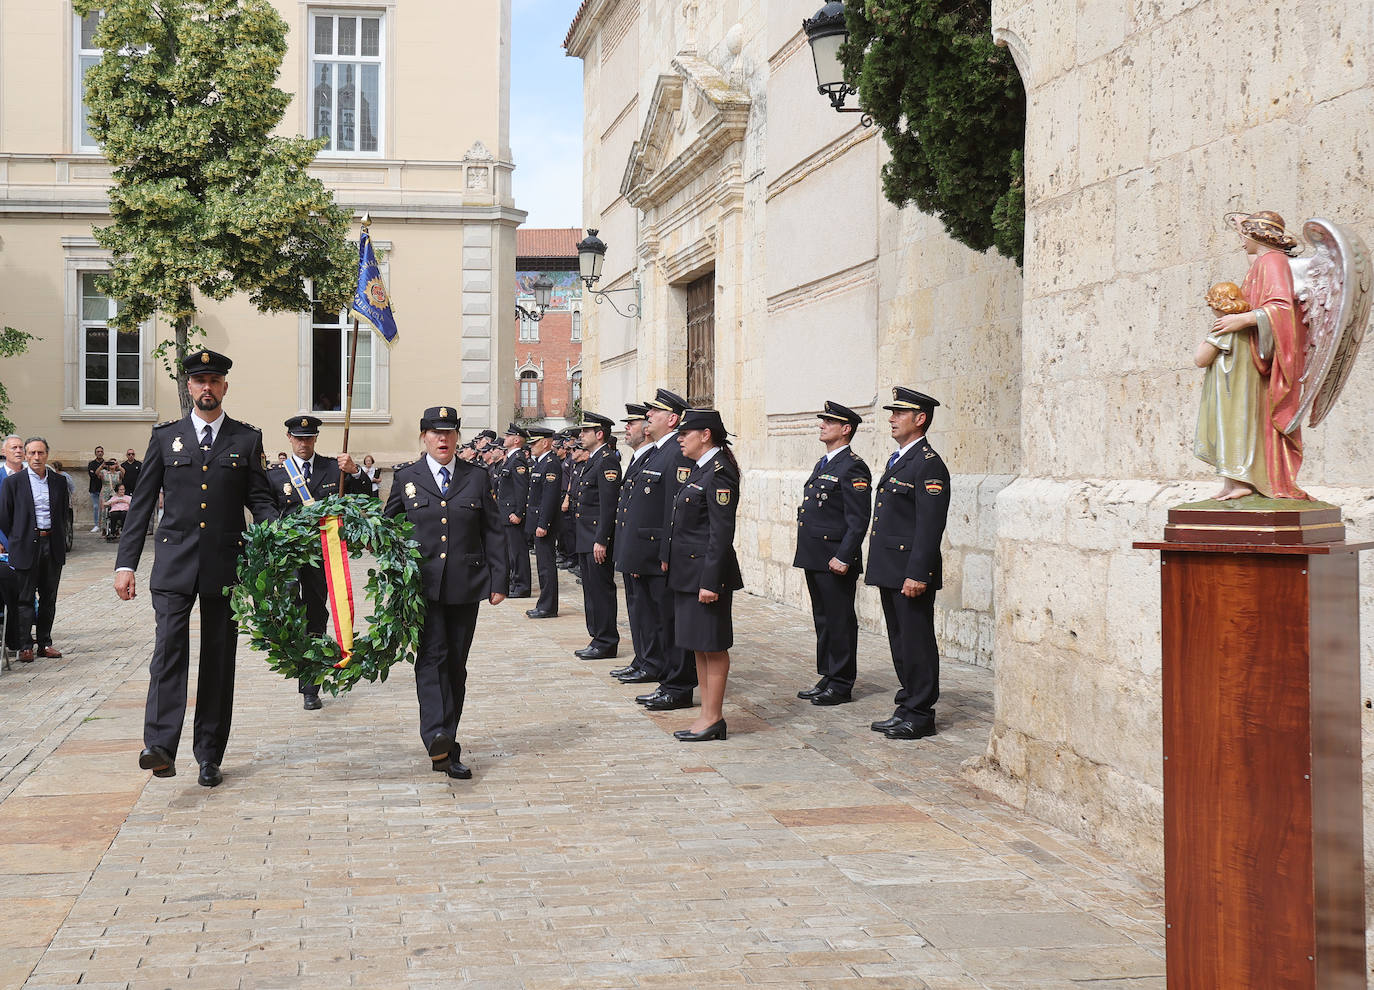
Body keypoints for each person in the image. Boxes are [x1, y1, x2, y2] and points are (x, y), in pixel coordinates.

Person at [115, 349, 277, 788]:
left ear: (225, 387)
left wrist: (277, 538)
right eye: (199, 381)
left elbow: (259, 499)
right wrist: (125, 564)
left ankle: (209, 753)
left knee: (218, 659)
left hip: (225, 565)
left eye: (214, 381)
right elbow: (142, 503)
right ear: (189, 387)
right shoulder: (167, 438)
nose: (207, 388)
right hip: (173, 565)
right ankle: (160, 747)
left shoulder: (246, 439)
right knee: (168, 651)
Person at [384, 406, 507, 780]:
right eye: (435, 433)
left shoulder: (476, 476)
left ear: (457, 437)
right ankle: (438, 738)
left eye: (449, 432)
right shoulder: (407, 476)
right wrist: (392, 575)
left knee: (455, 664)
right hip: (423, 587)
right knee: (431, 658)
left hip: (465, 585)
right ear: (423, 436)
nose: (443, 439)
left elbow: (493, 530)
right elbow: (388, 527)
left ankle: (446, 737)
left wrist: (498, 580)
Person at [265, 416, 371, 711]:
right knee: (290, 610)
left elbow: (362, 497)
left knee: (315, 612)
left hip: (320, 554)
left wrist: (356, 471)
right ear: (289, 438)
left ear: (315, 439)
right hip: (288, 555)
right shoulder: (275, 476)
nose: (304, 443)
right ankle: (296, 661)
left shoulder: (331, 469)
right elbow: (264, 509)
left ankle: (310, 685)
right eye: (299, 438)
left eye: (309, 438)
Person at [865, 386, 951, 740]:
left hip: (910, 573)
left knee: (916, 641)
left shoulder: (929, 465)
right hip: (891, 569)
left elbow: (930, 528)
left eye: (899, 413)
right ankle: (907, 704)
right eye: (892, 413)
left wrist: (918, 574)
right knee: (900, 642)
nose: (892, 418)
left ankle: (921, 713)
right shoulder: (899, 459)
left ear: (920, 419)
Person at [1210, 210, 1308, 499]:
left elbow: (1280, 308)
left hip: (1262, 357)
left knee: (1250, 416)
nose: (1241, 243)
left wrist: (1242, 320)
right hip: (1252, 353)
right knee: (1244, 417)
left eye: (1243, 236)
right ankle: (1246, 480)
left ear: (1256, 236)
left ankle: (1254, 479)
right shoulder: (1263, 262)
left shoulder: (1273, 261)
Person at [663, 408, 743, 741]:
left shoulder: (719, 472)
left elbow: (720, 534)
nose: (680, 438)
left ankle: (713, 717)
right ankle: (706, 715)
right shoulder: (701, 470)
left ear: (705, 434)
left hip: (707, 576)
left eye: (686, 433)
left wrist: (711, 581)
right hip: (689, 573)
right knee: (698, 645)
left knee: (713, 646)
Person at [793, 401, 872, 706]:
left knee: (839, 620)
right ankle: (827, 674)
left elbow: (858, 519)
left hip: (835, 559)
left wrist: (844, 556)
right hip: (816, 555)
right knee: (823, 618)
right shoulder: (824, 463)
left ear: (846, 429)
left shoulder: (853, 466)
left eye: (829, 421)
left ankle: (841, 682)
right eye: (822, 420)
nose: (822, 425)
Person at [631, 389, 699, 711]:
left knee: (670, 624)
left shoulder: (676, 453)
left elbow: (675, 508)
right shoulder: (658, 451)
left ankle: (677, 685)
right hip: (648, 552)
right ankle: (667, 679)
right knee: (660, 621)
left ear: (672, 419)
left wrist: (664, 554)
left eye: (654, 412)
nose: (648, 416)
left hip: (660, 553)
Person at [1194, 281, 1270, 499]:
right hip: (1239, 386)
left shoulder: (1224, 326)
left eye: (1212, 304)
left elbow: (1201, 359)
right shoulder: (1243, 328)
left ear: (1219, 304)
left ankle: (1239, 483)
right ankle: (1231, 484)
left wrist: (1204, 342)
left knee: (1228, 431)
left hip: (1228, 389)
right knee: (1232, 431)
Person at [0, 437, 71, 663]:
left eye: (40, 453)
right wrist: (18, 538)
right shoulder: (14, 482)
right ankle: (25, 645)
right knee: (25, 598)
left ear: (47, 455)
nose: (36, 458)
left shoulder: (59, 482)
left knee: (49, 597)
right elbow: (4, 517)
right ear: (27, 456)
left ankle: (45, 643)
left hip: (52, 544)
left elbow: (62, 514)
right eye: (32, 453)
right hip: (25, 546)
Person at [571, 412, 622, 660]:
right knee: (590, 591)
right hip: (585, 537)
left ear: (599, 434)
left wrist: (602, 539)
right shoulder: (592, 460)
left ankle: (606, 640)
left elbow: (608, 505)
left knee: (600, 591)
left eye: (585, 431)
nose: (581, 435)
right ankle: (597, 636)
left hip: (596, 539)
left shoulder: (607, 461)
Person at [523, 426, 562, 618]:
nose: (531, 447)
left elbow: (550, 497)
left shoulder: (551, 463)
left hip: (544, 523)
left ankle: (548, 606)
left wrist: (543, 524)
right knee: (542, 565)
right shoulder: (541, 463)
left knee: (546, 565)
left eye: (534, 443)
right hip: (538, 520)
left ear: (545, 443)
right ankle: (544, 603)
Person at [495, 423, 532, 598]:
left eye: (509, 436)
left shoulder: (517, 460)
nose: (505, 439)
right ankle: (514, 581)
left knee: (517, 551)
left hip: (512, 514)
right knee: (510, 551)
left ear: (516, 440)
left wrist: (518, 512)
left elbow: (521, 488)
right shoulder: (510, 459)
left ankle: (522, 585)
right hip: (505, 513)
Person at [98, 457, 124, 534]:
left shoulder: (118, 473)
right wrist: (102, 465)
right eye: (110, 463)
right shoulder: (104, 472)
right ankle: (104, 529)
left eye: (113, 463)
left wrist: (119, 466)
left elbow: (124, 472)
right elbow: (97, 473)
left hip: (115, 493)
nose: (112, 465)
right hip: (105, 492)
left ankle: (116, 528)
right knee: (104, 510)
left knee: (116, 509)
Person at [86, 445, 106, 532]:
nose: (100, 453)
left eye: (101, 451)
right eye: (98, 451)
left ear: (103, 453)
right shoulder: (91, 464)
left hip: (105, 489)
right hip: (94, 489)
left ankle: (105, 525)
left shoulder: (106, 464)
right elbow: (92, 476)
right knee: (96, 507)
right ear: (95, 453)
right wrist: (98, 474)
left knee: (105, 508)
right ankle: (96, 525)